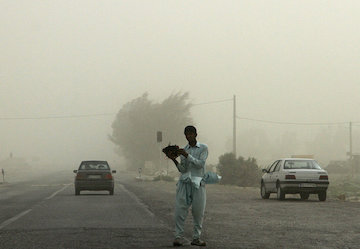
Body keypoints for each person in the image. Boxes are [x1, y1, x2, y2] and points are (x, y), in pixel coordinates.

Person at [165, 125, 208, 247]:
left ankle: (196, 238)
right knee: (180, 210)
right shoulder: (184, 149)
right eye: (186, 134)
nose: (188, 136)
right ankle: (178, 237)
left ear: (195, 134)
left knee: (198, 212)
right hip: (184, 183)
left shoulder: (203, 148)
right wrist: (174, 159)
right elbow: (183, 169)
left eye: (190, 134)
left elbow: (200, 164)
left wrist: (187, 155)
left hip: (198, 183)